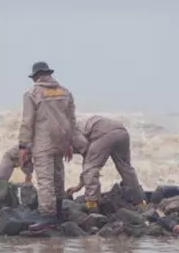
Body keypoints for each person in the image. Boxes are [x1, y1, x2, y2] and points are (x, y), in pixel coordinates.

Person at [17, 61, 76, 221]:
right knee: (58, 175)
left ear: (36, 77)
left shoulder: (32, 94)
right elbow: (71, 119)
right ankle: (58, 211)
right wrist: (70, 142)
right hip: (62, 141)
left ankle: (47, 216)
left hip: (43, 142)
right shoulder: (65, 92)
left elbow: (27, 121)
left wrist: (23, 146)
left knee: (45, 180)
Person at [64, 115, 146, 211]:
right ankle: (140, 201)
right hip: (122, 132)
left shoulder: (68, 134)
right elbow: (89, 157)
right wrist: (79, 186)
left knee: (90, 167)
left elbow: (87, 153)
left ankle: (91, 203)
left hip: (104, 133)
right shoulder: (75, 127)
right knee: (126, 168)